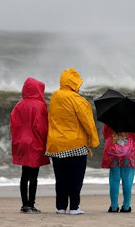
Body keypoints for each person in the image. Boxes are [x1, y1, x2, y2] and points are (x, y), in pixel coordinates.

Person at [45, 68, 100, 215]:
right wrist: (94, 140)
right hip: (76, 145)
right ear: (74, 83)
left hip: (56, 145)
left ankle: (61, 207)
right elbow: (88, 122)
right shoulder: (78, 100)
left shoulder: (55, 96)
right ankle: (74, 207)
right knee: (76, 178)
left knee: (61, 178)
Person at [10, 77, 50, 214]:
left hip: (21, 142)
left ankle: (24, 205)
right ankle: (31, 204)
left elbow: (13, 125)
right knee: (34, 175)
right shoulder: (39, 106)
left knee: (24, 174)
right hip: (34, 142)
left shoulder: (18, 105)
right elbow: (41, 127)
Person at [101, 124, 135, 213]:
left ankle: (114, 206)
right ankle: (126, 206)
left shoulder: (110, 118)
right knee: (127, 180)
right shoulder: (133, 120)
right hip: (129, 152)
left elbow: (105, 134)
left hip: (113, 151)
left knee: (114, 180)